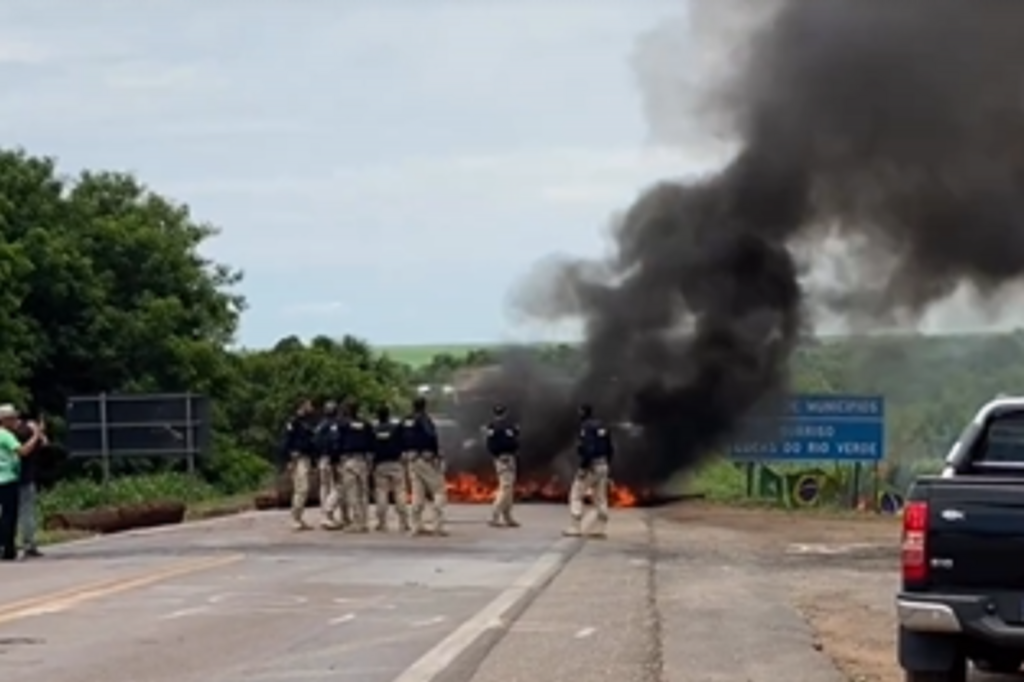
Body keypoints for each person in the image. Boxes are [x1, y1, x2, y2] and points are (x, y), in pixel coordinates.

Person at [564, 403, 614, 539]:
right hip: (603, 465)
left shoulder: (586, 427)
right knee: (600, 497)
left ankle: (575, 527)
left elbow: (588, 449)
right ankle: (600, 528)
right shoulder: (602, 426)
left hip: (591, 466)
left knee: (576, 494)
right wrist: (607, 466)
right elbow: (610, 449)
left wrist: (583, 467)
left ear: (582, 413)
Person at [0, 404, 43, 561]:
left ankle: (5, 546)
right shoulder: (6, 435)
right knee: (10, 515)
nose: (15, 420)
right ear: (4, 420)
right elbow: (23, 451)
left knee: (3, 514)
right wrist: (36, 434)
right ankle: (11, 547)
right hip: (8, 478)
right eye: (12, 418)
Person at [402, 396, 447, 536]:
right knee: (439, 490)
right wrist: (435, 454)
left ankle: (416, 526)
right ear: (424, 406)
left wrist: (404, 452)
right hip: (424, 459)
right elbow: (431, 437)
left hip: (411, 459)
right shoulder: (424, 419)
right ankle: (438, 526)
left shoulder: (406, 420)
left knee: (417, 493)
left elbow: (397, 437)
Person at [280, 399, 318, 531]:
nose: (311, 408)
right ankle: (295, 518)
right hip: (297, 458)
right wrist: (288, 459)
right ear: (302, 406)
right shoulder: (294, 422)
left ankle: (299, 517)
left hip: (306, 458)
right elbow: (286, 441)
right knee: (301, 488)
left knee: (303, 489)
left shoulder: (306, 422)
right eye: (309, 405)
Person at [372, 405, 410, 532]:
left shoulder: (374, 430)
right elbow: (404, 444)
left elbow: (370, 447)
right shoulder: (396, 429)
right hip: (396, 463)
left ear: (378, 416)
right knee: (400, 492)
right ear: (388, 415)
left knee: (381, 493)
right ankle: (403, 523)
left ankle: (382, 523)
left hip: (380, 464)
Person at [338, 400, 373, 533]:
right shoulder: (365, 424)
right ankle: (364, 522)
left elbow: (338, 441)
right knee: (363, 492)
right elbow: (371, 442)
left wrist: (337, 459)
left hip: (349, 460)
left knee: (352, 492)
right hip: (362, 460)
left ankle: (356, 522)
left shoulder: (343, 425)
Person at [16, 413, 48, 558]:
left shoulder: (6, 434)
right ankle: (29, 545)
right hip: (24, 478)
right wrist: (38, 432)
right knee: (27, 513)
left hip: (8, 478)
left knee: (7, 513)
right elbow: (44, 443)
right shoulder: (25, 433)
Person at [485, 404, 521, 528]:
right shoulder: (505, 426)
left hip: (502, 457)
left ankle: (507, 516)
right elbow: (513, 439)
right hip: (506, 458)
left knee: (509, 488)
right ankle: (495, 514)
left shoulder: (492, 426)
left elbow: (489, 444)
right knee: (506, 486)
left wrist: (496, 455)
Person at [314, 401, 344, 530]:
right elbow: (334, 442)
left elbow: (314, 442)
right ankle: (328, 513)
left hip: (321, 459)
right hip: (331, 459)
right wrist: (335, 459)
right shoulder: (333, 425)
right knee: (339, 487)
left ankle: (326, 517)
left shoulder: (320, 425)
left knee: (324, 487)